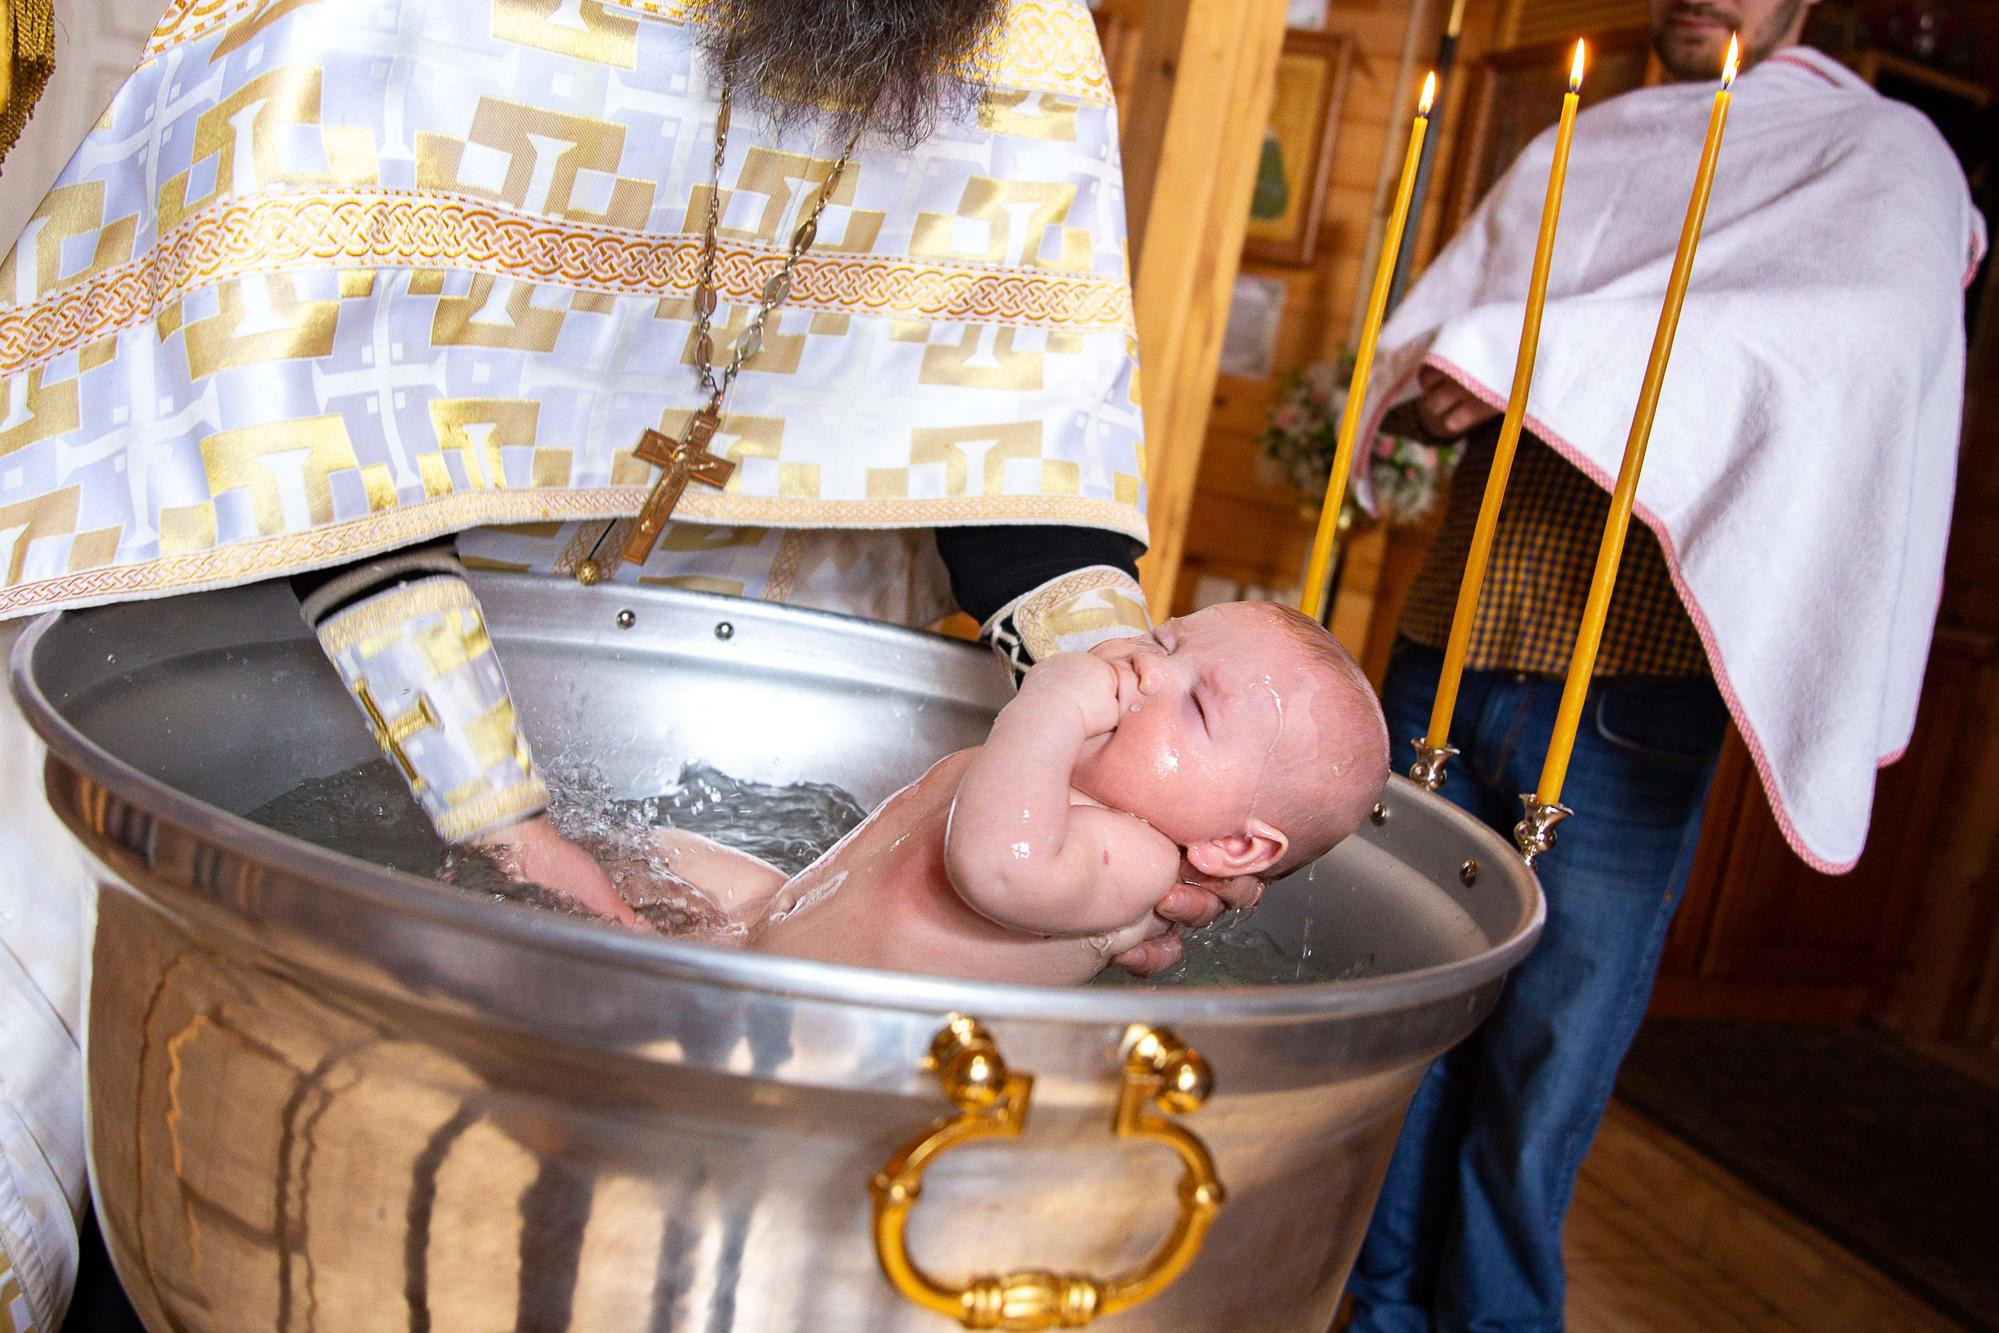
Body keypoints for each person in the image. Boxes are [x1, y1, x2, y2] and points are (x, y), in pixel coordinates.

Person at [0, 1, 1256, 1324]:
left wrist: (1146, 773)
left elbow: (1021, 448)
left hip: (752, 623)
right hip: (335, 602)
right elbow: (301, 377)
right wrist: (494, 801)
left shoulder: (1012, 33)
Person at [1341, 0, 1985, 1327]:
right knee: (1391, 997)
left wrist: (1536, 352)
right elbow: (1445, 333)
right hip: (1449, 633)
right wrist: (1445, 376)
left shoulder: (1872, 156)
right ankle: (1372, 1301)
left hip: (1627, 677)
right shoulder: (1589, 140)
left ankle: (1492, 1319)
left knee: (1544, 1051)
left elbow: (1841, 334)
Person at [605, 602, 1389, 983]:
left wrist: (1052, 699)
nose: (1146, 667)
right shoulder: (1072, 787)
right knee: (649, 851)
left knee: (625, 945)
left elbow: (997, 866)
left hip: (822, 1023)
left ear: (1235, 847)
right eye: (1162, 639)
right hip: (777, 931)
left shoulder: (1135, 857)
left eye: (1195, 704)